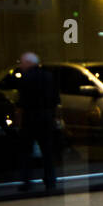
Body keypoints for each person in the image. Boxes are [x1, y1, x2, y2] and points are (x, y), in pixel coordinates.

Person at [15, 51, 59, 193]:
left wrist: (19, 122)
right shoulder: (49, 76)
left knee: (26, 151)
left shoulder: (25, 78)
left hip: (30, 117)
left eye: (22, 62)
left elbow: (21, 103)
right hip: (46, 117)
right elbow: (56, 100)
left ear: (28, 63)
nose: (20, 65)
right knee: (47, 150)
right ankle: (50, 180)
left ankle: (27, 181)